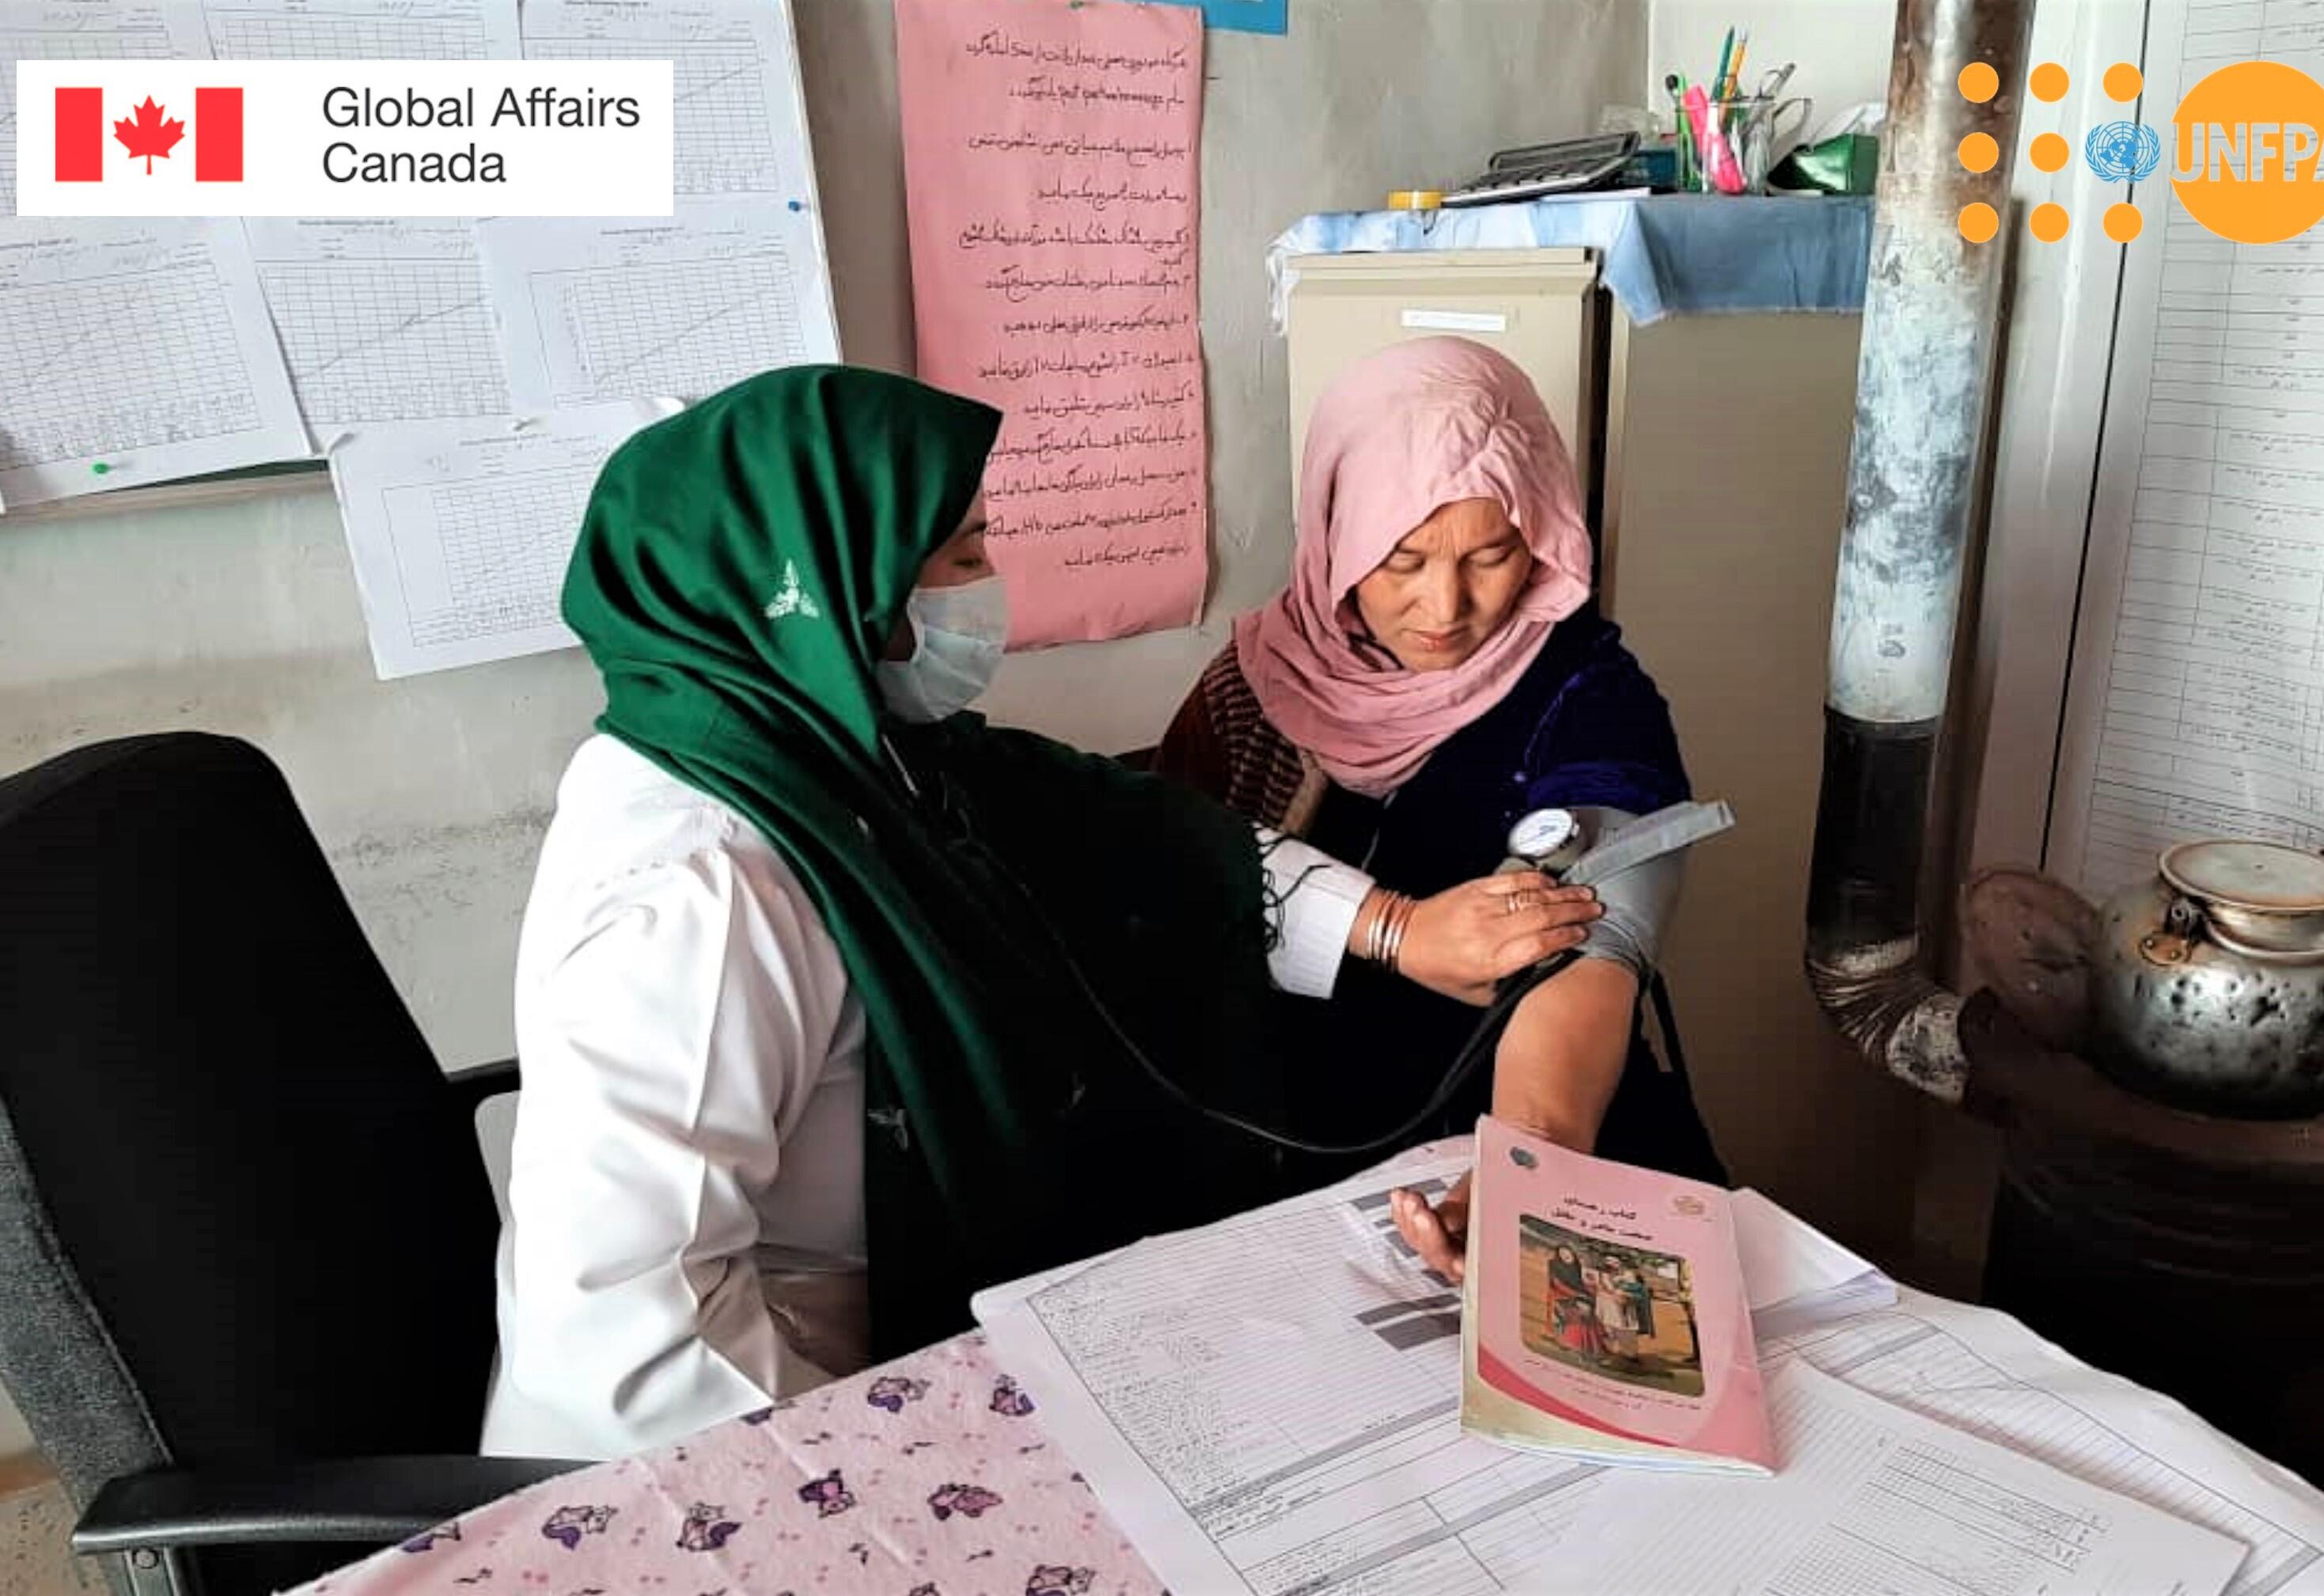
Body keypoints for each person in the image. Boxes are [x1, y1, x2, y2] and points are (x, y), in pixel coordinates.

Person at [483, 366, 1605, 1460]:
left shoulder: (861, 763)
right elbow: (636, 1350)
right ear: (833, 585)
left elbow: (1148, 839)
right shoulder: (703, 889)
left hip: (914, 1327)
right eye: (964, 553)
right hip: (780, 1413)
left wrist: (1395, 930)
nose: (991, 589)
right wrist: (899, 1487)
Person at [1154, 337, 1727, 1283]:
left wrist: (1528, 1175)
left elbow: (1591, 952)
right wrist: (1390, 931)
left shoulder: (1588, 697)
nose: (1445, 605)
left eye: (1493, 556)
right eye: (1403, 558)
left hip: (1534, 1152)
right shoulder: (1252, 691)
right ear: (1335, 531)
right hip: (1287, 1160)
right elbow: (1168, 889)